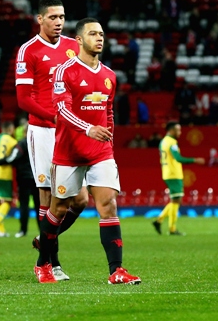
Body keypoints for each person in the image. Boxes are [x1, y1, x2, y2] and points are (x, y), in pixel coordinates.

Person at [34, 17, 141, 285]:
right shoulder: (65, 71)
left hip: (100, 152)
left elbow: (107, 111)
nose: (100, 38)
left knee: (108, 204)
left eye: (102, 34)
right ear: (79, 40)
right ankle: (42, 263)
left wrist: (108, 139)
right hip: (69, 152)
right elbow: (61, 109)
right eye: (93, 34)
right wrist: (88, 129)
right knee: (58, 210)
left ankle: (116, 271)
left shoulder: (109, 76)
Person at [15, 0, 88, 281]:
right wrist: (54, 116)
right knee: (48, 197)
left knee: (79, 199)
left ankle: (44, 240)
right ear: (40, 19)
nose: (59, 22)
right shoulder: (28, 51)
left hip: (70, 131)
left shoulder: (74, 47)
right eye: (53, 17)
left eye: (62, 17)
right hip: (43, 131)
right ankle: (48, 263)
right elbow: (23, 99)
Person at [152, 121, 205, 236]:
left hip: (167, 172)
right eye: (178, 130)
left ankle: (161, 222)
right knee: (177, 200)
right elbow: (178, 158)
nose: (180, 132)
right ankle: (169, 227)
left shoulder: (163, 142)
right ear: (171, 130)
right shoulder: (172, 142)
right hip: (174, 174)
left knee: (175, 200)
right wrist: (195, 160)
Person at [0, 123, 40, 238]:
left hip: (24, 178)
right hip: (39, 178)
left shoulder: (21, 144)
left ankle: (23, 230)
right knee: (40, 206)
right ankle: (42, 231)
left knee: (24, 205)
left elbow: (12, 158)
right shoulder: (40, 143)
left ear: (24, 132)